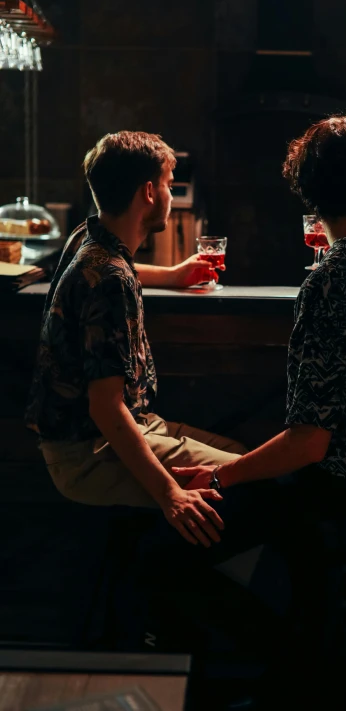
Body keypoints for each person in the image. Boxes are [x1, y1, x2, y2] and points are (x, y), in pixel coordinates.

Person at [175, 114, 346, 517]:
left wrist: (218, 476)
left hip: (337, 484)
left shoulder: (333, 278)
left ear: (307, 191)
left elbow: (308, 443)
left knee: (183, 525)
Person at [25, 131, 250, 548]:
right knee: (245, 485)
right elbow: (106, 410)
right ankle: (194, 600)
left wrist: (173, 274)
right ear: (149, 192)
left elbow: (109, 270)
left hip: (113, 433)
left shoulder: (89, 239)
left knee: (244, 460)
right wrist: (170, 496)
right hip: (87, 456)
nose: (169, 192)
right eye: (167, 183)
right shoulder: (109, 279)